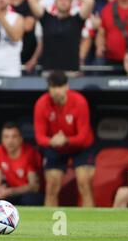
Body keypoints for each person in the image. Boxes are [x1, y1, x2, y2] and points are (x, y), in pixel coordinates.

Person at [34, 71, 96, 207]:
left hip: (81, 147)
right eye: (53, 87)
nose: (57, 91)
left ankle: (91, 224)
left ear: (67, 87)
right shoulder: (42, 104)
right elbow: (39, 137)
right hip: (55, 146)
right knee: (51, 187)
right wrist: (52, 141)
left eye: (60, 87)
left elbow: (83, 136)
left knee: (84, 183)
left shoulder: (79, 102)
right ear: (49, 89)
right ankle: (48, 225)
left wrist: (66, 140)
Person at [28, 0, 94, 73]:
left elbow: (89, 1)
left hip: (71, 71)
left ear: (71, 2)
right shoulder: (46, 19)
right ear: (55, 1)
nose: (63, 2)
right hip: (49, 71)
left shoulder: (77, 20)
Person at [0, 122, 43, 206]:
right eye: (6, 137)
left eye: (14, 136)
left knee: (29, 199)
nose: (10, 141)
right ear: (2, 139)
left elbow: (34, 186)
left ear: (21, 138)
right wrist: (0, 190)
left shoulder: (30, 153)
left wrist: (11, 191)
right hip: (8, 192)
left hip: (26, 193)